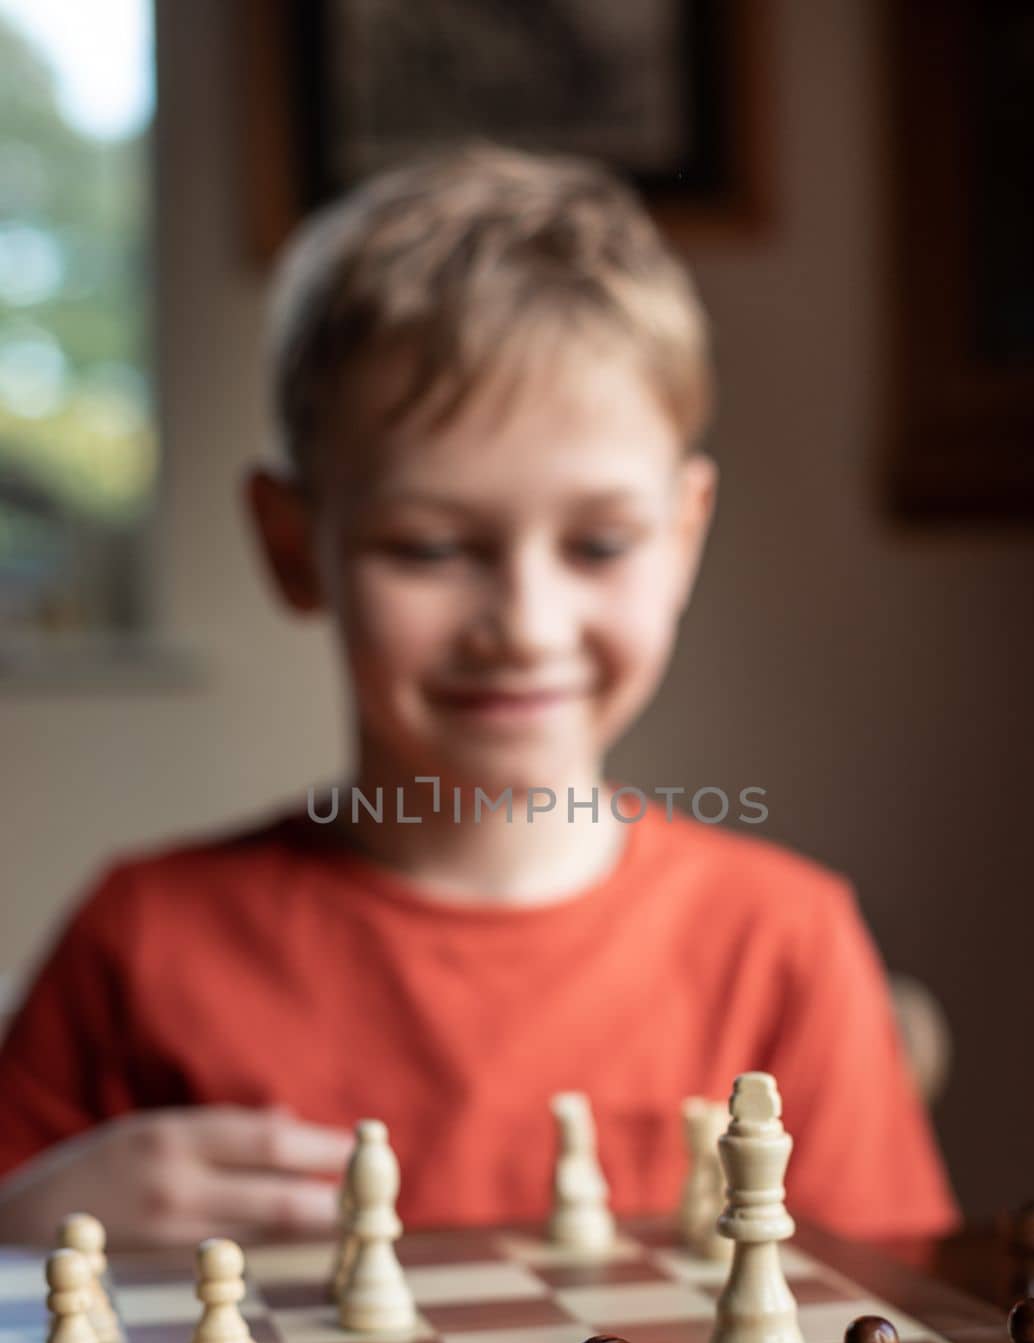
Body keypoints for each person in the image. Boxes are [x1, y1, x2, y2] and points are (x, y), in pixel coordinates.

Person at [0, 141, 959, 1247]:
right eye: (428, 547)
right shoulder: (141, 942)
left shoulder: (782, 946)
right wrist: (29, 1229)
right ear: (290, 544)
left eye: (598, 543)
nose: (525, 625)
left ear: (683, 536)